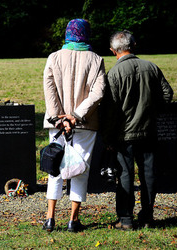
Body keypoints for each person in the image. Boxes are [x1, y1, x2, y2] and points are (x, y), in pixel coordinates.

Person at [102, 30, 173, 229]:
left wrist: (107, 138)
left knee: (125, 175)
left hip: (123, 135)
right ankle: (148, 217)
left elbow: (110, 111)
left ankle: (125, 219)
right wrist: (151, 111)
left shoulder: (113, 74)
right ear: (134, 46)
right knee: (148, 175)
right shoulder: (151, 67)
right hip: (149, 131)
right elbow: (167, 94)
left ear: (112, 51)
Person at [42, 19, 106, 232]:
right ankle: (73, 220)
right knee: (79, 170)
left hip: (57, 122)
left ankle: (50, 218)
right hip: (85, 123)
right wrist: (76, 116)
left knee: (55, 168)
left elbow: (48, 88)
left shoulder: (54, 57)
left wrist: (59, 118)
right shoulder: (96, 59)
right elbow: (99, 92)